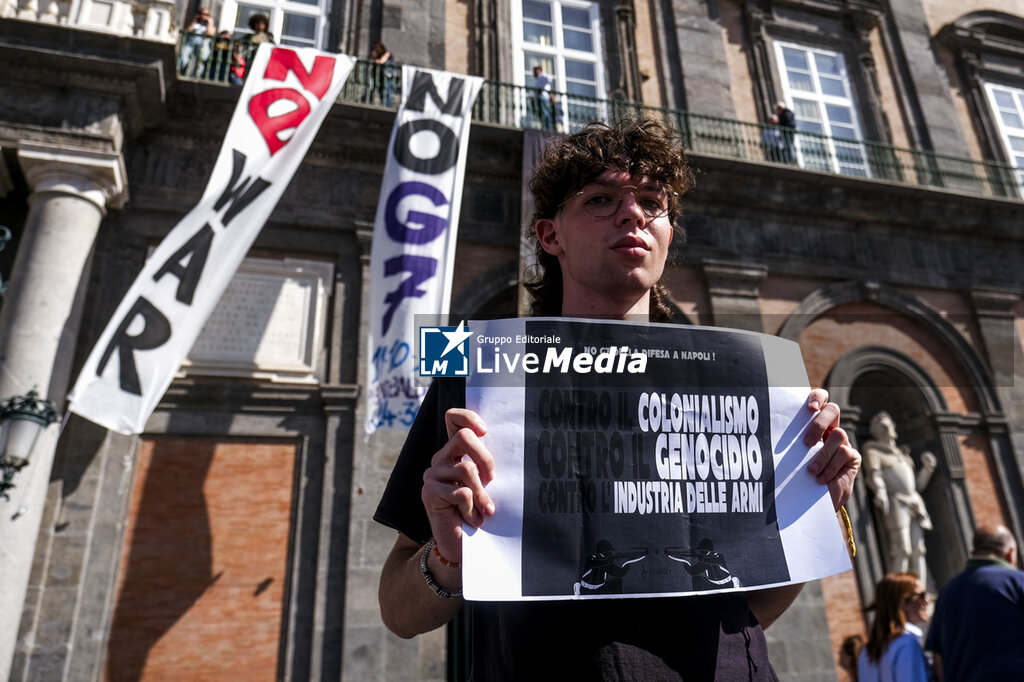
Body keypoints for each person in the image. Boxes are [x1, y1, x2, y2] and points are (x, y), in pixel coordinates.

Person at [375, 118, 861, 679]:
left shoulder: (748, 380)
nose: (633, 214)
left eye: (652, 202)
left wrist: (815, 507)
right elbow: (397, 610)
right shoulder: (480, 372)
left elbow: (747, 612)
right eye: (602, 199)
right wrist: (447, 558)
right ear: (550, 235)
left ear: (669, 233)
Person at [925, 524, 1024, 682]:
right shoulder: (1019, 582)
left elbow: (938, 662)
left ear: (973, 553)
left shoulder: (946, 593)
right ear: (1011, 553)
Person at [862, 411, 936, 583]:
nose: (887, 428)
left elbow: (917, 486)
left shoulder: (902, 455)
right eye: (881, 426)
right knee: (902, 549)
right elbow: (875, 474)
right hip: (896, 503)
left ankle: (920, 590)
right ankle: (897, 596)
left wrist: (927, 469)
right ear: (875, 432)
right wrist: (880, 491)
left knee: (919, 549)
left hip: (915, 502)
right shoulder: (873, 450)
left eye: (888, 424)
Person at [857, 572, 930, 682]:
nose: (926, 601)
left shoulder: (867, 652)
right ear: (902, 602)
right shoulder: (906, 644)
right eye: (921, 596)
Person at [178, 7, 216, 76]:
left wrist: (210, 23)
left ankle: (195, 75)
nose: (203, 15)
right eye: (201, 13)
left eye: (206, 14)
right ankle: (180, 71)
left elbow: (210, 33)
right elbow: (187, 31)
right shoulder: (195, 23)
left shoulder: (210, 25)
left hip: (203, 42)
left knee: (201, 60)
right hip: (191, 41)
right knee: (184, 57)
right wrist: (194, 21)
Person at [368, 41, 396, 107]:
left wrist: (374, 60)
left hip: (389, 77)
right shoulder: (377, 57)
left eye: (374, 50)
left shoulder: (387, 53)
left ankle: (388, 108)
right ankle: (385, 106)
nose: (373, 52)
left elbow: (381, 61)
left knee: (387, 94)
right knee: (382, 94)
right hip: (382, 78)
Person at [532, 65, 555, 131]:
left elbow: (549, 80)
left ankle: (547, 127)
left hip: (543, 96)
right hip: (539, 96)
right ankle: (543, 125)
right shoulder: (538, 79)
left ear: (539, 70)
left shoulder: (544, 76)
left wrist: (542, 88)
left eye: (535, 71)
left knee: (545, 111)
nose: (535, 73)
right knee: (540, 111)